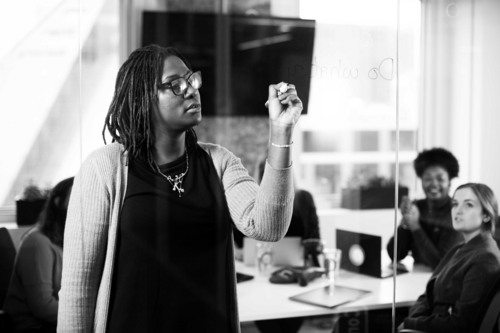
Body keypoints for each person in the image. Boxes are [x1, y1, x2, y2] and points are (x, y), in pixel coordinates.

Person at [57, 44, 303, 333]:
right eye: (176, 85)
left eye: (191, 79)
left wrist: (281, 131)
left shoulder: (218, 161)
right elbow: (78, 287)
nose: (191, 90)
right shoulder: (105, 168)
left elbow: (268, 226)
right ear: (144, 98)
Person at [233, 158, 321, 333]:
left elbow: (315, 238)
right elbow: (239, 240)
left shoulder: (303, 198)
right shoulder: (250, 201)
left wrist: (310, 249)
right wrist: (240, 251)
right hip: (258, 274)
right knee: (267, 319)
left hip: (294, 274)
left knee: (288, 322)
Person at [399, 183, 500, 332]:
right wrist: (415, 320)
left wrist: (412, 324)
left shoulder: (486, 258)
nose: (458, 211)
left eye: (468, 205)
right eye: (455, 204)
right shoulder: (457, 249)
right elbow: (427, 295)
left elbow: (461, 324)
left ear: (486, 215)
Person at [3, 177, 74, 333]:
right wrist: (83, 314)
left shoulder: (67, 241)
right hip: (35, 327)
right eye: (75, 197)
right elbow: (43, 307)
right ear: (58, 202)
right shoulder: (37, 242)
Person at [387, 148, 463, 270]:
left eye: (440, 179)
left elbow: (441, 265)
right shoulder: (417, 206)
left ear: (449, 182)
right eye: (427, 178)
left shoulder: (457, 212)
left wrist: (415, 226)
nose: (433, 184)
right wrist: (405, 223)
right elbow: (394, 255)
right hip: (414, 279)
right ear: (421, 181)